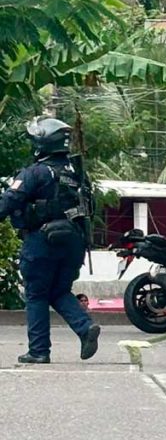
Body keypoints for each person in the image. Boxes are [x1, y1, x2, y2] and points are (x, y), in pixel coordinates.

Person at [0, 116, 101, 364]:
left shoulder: (35, 172)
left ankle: (38, 350)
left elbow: (9, 202)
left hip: (42, 241)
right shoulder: (77, 174)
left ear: (42, 144)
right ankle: (84, 327)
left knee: (35, 294)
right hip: (74, 242)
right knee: (58, 290)